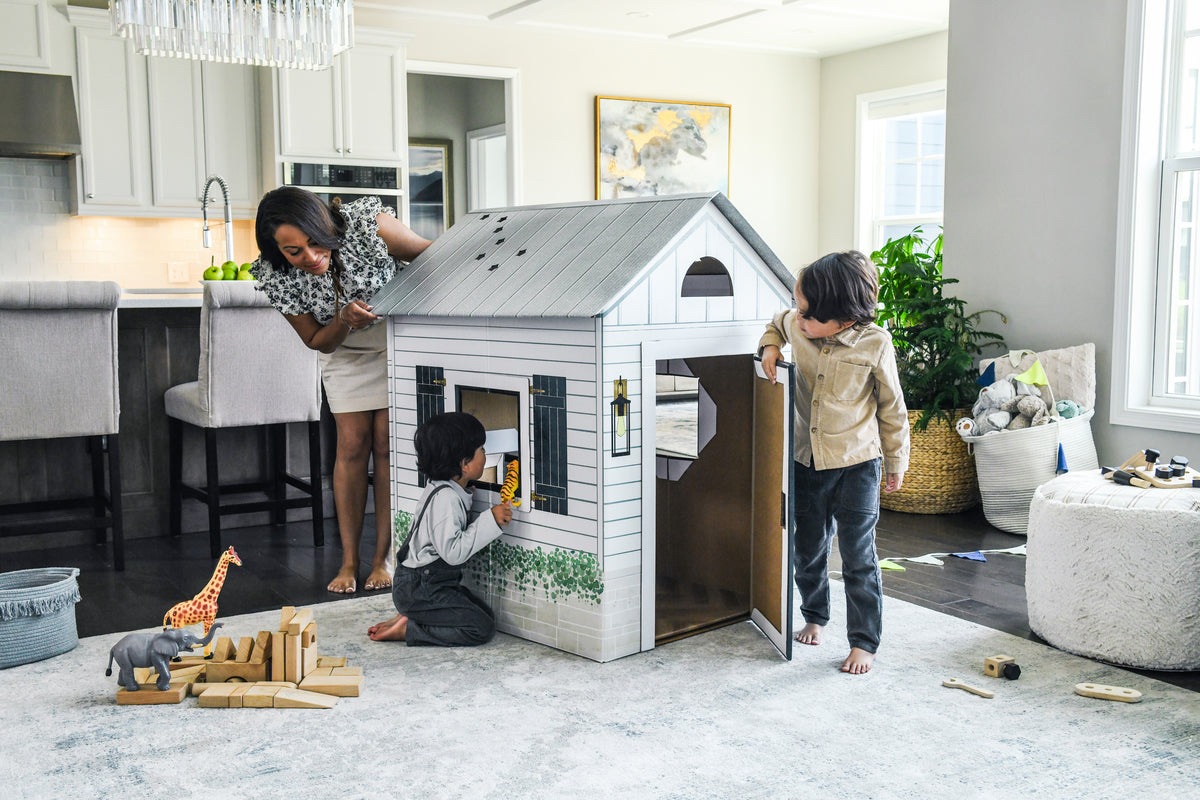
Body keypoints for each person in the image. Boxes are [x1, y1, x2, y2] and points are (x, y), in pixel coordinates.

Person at [252, 186, 433, 594]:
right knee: (351, 445)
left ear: (325, 226)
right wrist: (345, 320)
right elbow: (317, 340)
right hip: (343, 348)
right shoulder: (273, 275)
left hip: (397, 339)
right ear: (277, 250)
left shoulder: (368, 226)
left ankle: (383, 558)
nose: (310, 257)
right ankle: (349, 560)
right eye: (294, 251)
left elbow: (433, 257)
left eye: (315, 242)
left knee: (387, 444)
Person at [759, 250, 910, 675]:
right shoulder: (799, 324)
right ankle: (814, 615)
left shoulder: (875, 344)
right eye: (800, 308)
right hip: (806, 462)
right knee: (807, 548)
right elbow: (778, 320)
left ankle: (864, 641)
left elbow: (892, 409)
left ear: (843, 319)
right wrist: (771, 345)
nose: (799, 319)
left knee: (858, 553)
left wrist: (896, 463)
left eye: (808, 315)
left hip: (858, 464)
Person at [367, 411, 512, 646]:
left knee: (484, 614)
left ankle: (412, 615)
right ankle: (410, 629)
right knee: (481, 628)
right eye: (481, 450)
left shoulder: (445, 488)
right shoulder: (446, 499)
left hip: (422, 585)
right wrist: (491, 520)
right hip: (420, 589)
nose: (485, 454)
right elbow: (453, 553)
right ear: (464, 464)